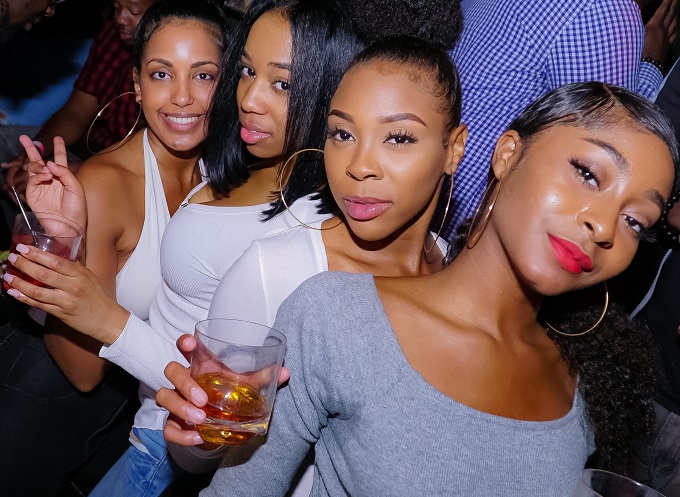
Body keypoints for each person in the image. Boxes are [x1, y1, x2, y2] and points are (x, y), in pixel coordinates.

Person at [3, 1, 464, 495]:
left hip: (169, 444)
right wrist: (69, 238)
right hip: (130, 417)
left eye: (282, 83)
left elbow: (237, 400)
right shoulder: (235, 161)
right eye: (246, 71)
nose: (249, 98)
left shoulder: (316, 231)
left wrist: (106, 318)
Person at [164, 81, 678, 495]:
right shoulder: (336, 316)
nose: (604, 227)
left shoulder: (581, 389)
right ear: (507, 154)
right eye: (588, 174)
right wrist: (200, 437)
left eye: (636, 220)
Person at [160, 33, 465, 490]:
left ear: (454, 149)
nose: (359, 166)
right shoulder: (277, 270)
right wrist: (198, 430)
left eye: (398, 138)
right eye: (343, 134)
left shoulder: (456, 270)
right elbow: (203, 458)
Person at [0, 1, 228, 495]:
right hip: (45, 393)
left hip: (128, 408)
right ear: (137, 85)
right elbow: (84, 372)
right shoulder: (107, 183)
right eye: (161, 73)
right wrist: (64, 241)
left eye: (203, 75)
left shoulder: (220, 176)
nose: (182, 96)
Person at [433, 0, 678, 240]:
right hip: (472, 236)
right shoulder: (604, 10)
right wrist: (652, 64)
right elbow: (619, 151)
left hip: (436, 208)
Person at [1, 0, 156, 199]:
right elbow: (75, 114)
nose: (120, 19)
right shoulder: (112, 37)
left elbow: (155, 166)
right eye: (116, 7)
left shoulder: (170, 66)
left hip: (138, 178)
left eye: (133, 12)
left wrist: (78, 172)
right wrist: (34, 152)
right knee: (7, 147)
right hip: (94, 156)